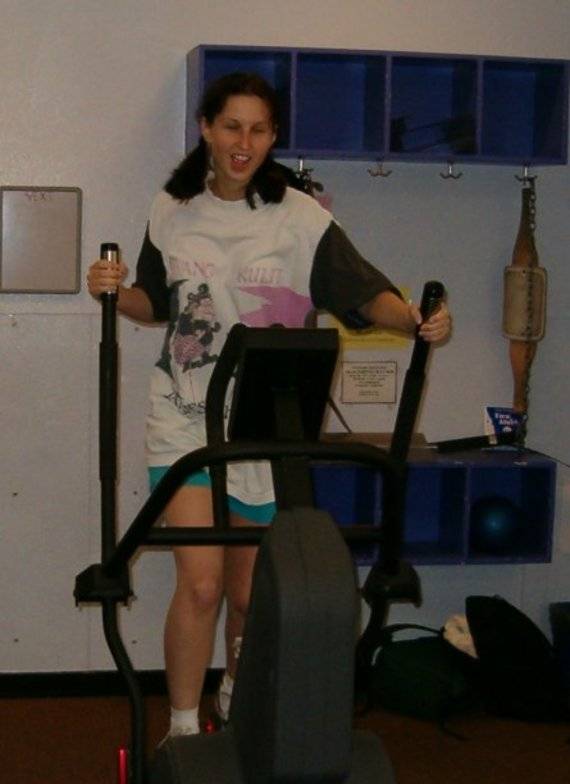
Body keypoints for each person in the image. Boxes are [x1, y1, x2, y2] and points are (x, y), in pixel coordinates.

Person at [87, 71, 451, 740]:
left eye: (258, 130)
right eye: (231, 126)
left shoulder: (301, 218)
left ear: (273, 136)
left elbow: (363, 292)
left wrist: (416, 321)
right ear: (206, 128)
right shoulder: (172, 208)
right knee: (201, 582)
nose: (243, 142)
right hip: (184, 416)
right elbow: (155, 303)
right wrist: (112, 291)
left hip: (265, 420)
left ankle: (235, 698)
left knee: (248, 593)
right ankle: (183, 729)